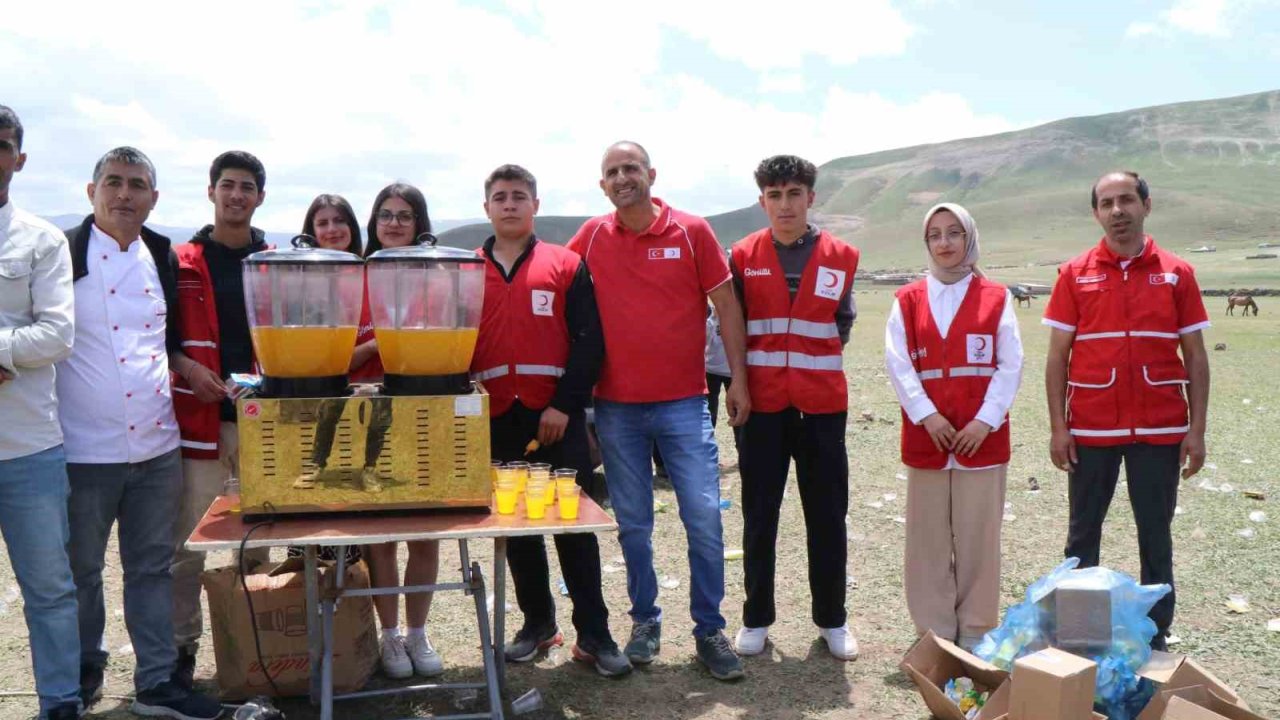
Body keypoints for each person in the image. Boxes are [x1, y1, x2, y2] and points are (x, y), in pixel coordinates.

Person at [567, 141, 750, 681]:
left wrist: (739, 380)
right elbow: (552, 279)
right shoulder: (591, 236)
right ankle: (645, 622)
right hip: (616, 408)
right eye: (612, 172)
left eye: (631, 168)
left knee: (704, 516)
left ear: (651, 174)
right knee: (633, 525)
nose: (622, 177)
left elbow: (727, 305)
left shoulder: (691, 231)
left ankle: (709, 629)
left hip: (684, 403)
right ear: (602, 185)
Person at [59, 147, 223, 718]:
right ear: (92, 191)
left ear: (154, 198)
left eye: (136, 185)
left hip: (157, 445)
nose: (124, 194)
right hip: (84, 449)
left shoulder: (161, 255)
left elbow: (163, 341)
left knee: (151, 568)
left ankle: (156, 682)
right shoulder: (62, 254)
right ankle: (82, 675)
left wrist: (188, 369)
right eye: (113, 182)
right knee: (81, 572)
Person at [471, 164, 630, 677]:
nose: (509, 204)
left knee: (573, 527)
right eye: (500, 197)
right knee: (516, 529)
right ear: (487, 207)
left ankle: (595, 634)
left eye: (519, 196)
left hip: (556, 417)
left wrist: (564, 404)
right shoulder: (467, 270)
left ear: (535, 205)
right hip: (497, 419)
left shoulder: (566, 264)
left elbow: (589, 341)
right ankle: (538, 624)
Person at [1044, 171, 1209, 650]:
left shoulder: (1178, 273)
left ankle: (1156, 635)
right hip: (1091, 426)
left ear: (1146, 206)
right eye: (1107, 203)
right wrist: (1059, 428)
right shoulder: (1074, 274)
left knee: (1155, 534)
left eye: (1127, 200)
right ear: (1096, 213)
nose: (1117, 210)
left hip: (1161, 427)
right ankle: (1078, 634)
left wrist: (1197, 430)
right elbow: (1057, 357)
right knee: (1083, 534)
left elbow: (1196, 356)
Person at [729, 155, 860, 661]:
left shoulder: (842, 255)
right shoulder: (742, 255)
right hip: (761, 407)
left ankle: (832, 619)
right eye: (775, 195)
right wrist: (742, 386)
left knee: (827, 516)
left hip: (821, 407)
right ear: (762, 201)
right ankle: (756, 618)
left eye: (794, 194)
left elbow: (841, 323)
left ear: (811, 197)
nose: (785, 204)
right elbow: (734, 327)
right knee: (759, 516)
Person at [885, 202, 1023, 652]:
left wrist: (985, 421)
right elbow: (898, 363)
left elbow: (1011, 364)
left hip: (981, 440)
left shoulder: (996, 298)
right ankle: (935, 634)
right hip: (928, 436)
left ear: (969, 237)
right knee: (926, 539)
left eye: (953, 233)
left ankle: (977, 630)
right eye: (935, 235)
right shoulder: (908, 300)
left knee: (979, 537)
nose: (944, 243)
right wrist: (927, 414)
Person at [168, 150, 270, 687]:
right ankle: (180, 649)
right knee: (187, 541)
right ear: (211, 191)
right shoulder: (180, 261)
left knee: (259, 537)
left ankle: (262, 646)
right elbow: (160, 336)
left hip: (260, 422)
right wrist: (188, 368)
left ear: (260, 197)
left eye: (246, 187)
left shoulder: (275, 262)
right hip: (200, 422)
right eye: (228, 185)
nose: (236, 195)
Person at [0, 104, 82, 720]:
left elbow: (57, 335)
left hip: (27, 448)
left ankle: (60, 701)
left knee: (50, 589)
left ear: (19, 159)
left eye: (2, 146)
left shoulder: (40, 239)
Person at [360, 182, 445, 679]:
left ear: (419, 223)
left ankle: (417, 631)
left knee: (425, 533)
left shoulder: (438, 277)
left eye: (404, 215)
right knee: (381, 535)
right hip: (368, 416)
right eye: (386, 215)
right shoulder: (356, 277)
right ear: (374, 223)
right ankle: (389, 633)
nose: (394, 223)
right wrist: (380, 345)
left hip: (424, 413)